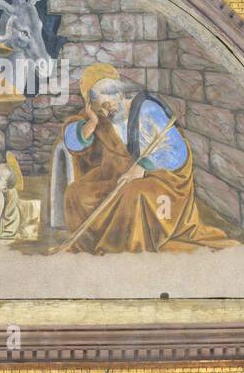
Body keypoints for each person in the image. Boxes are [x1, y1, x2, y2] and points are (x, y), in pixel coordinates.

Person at [60, 63, 228, 253]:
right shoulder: (100, 117)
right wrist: (91, 122)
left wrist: (143, 167)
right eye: (101, 109)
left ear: (120, 94)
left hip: (161, 178)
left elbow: (177, 151)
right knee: (76, 193)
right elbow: (72, 141)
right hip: (119, 175)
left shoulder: (147, 109)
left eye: (109, 105)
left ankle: (123, 251)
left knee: (134, 192)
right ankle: (86, 249)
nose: (108, 112)